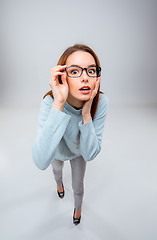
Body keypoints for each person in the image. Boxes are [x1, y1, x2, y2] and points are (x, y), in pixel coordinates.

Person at [32, 43, 108, 226]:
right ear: (62, 76)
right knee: (56, 170)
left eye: (91, 71)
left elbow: (90, 154)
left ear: (97, 76)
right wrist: (59, 102)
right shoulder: (50, 101)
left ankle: (78, 208)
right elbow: (41, 161)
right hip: (56, 151)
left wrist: (86, 114)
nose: (85, 78)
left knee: (78, 186)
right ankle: (59, 185)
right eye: (75, 72)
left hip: (79, 152)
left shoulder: (101, 101)